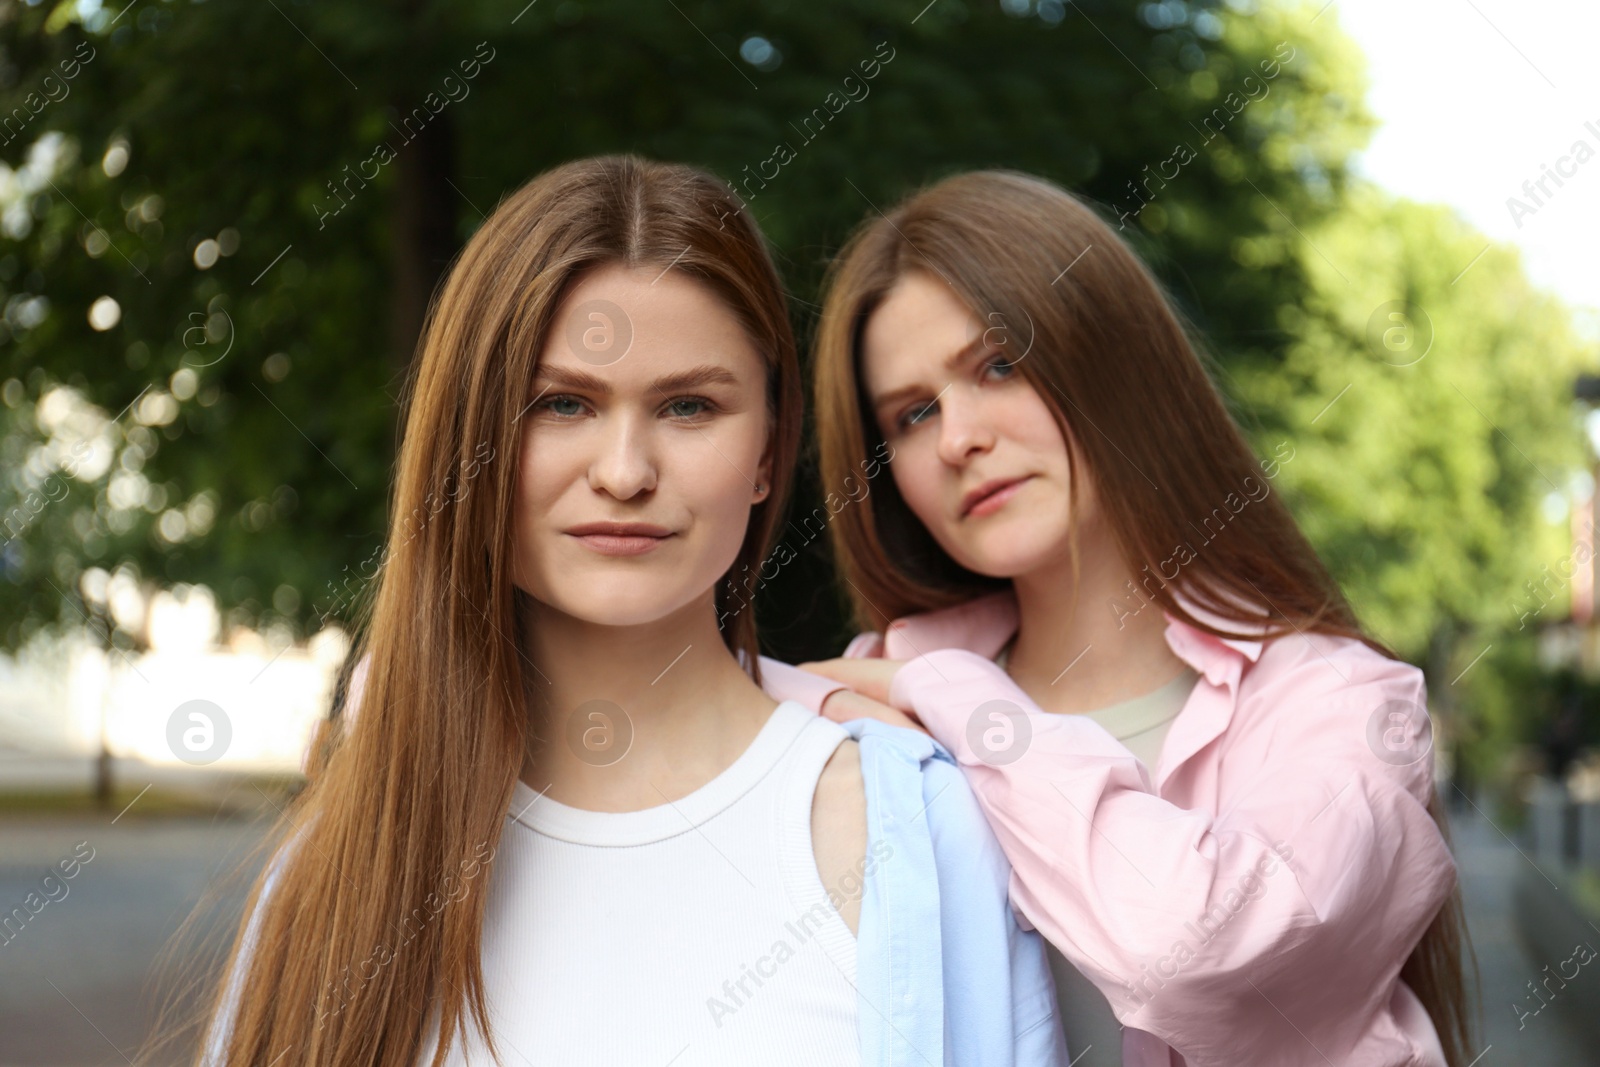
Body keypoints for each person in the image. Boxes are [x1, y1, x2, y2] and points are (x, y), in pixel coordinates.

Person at [196, 156, 1066, 1066]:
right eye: (561, 403)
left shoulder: (915, 829)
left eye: (689, 406)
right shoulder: (342, 861)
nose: (624, 471)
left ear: (769, 452)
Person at [756, 169, 1476, 1067]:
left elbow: (1196, 953)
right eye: (911, 415)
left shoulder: (1344, 701)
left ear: (1114, 357)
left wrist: (955, 698)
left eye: (1001, 364)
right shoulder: (859, 692)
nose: (956, 438)